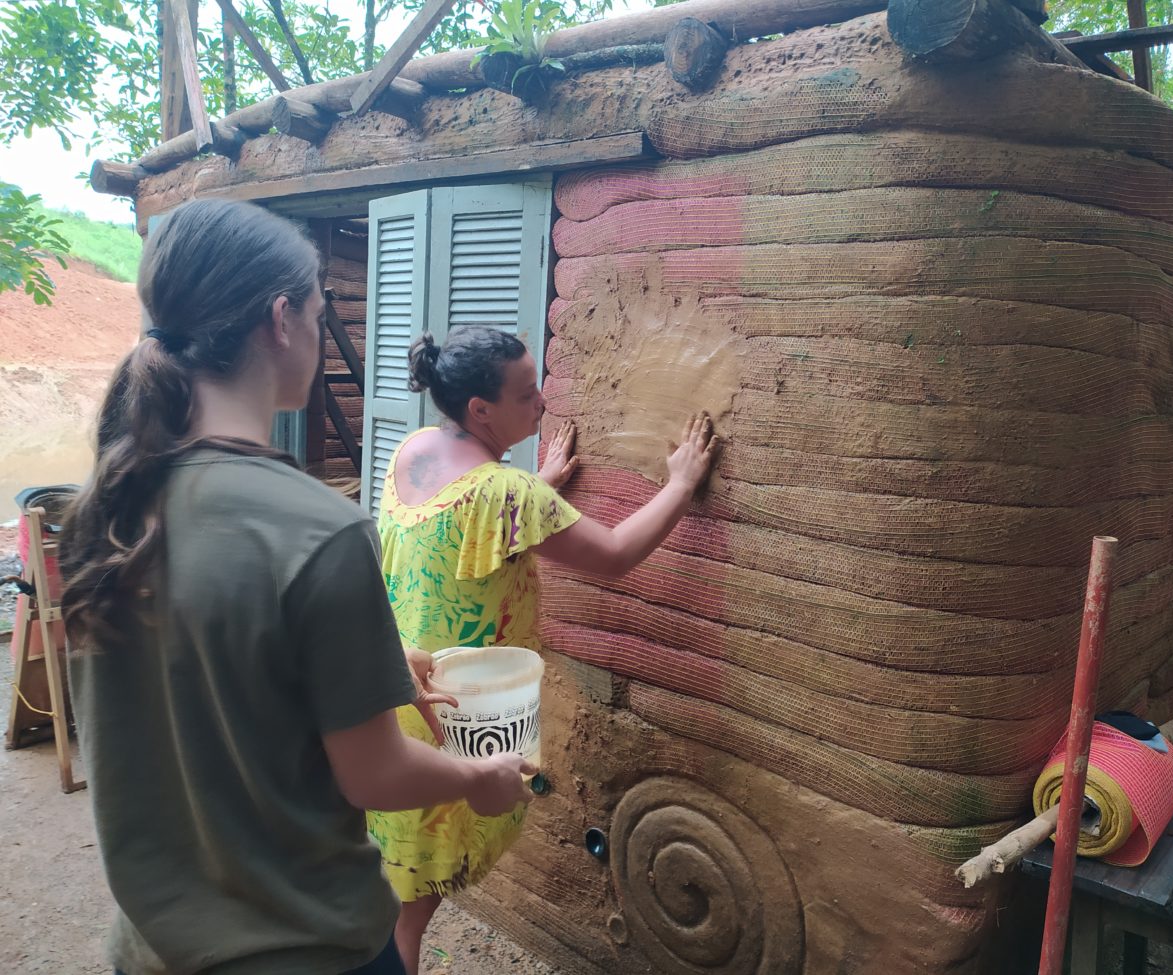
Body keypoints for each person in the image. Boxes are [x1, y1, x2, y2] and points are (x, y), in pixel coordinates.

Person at [57, 199, 535, 975]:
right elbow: (375, 773)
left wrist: (380, 658)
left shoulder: (104, 510)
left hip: (151, 948)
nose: (318, 330)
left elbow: (210, 670)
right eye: (318, 311)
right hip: (306, 949)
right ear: (281, 319)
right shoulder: (319, 527)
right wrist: (476, 778)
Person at [368, 325, 721, 974]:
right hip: (461, 715)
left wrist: (539, 493)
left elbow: (462, 543)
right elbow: (614, 555)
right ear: (480, 410)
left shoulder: (413, 452)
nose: (543, 402)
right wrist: (679, 483)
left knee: (397, 889)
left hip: (401, 698)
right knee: (407, 913)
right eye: (528, 393)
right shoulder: (508, 496)